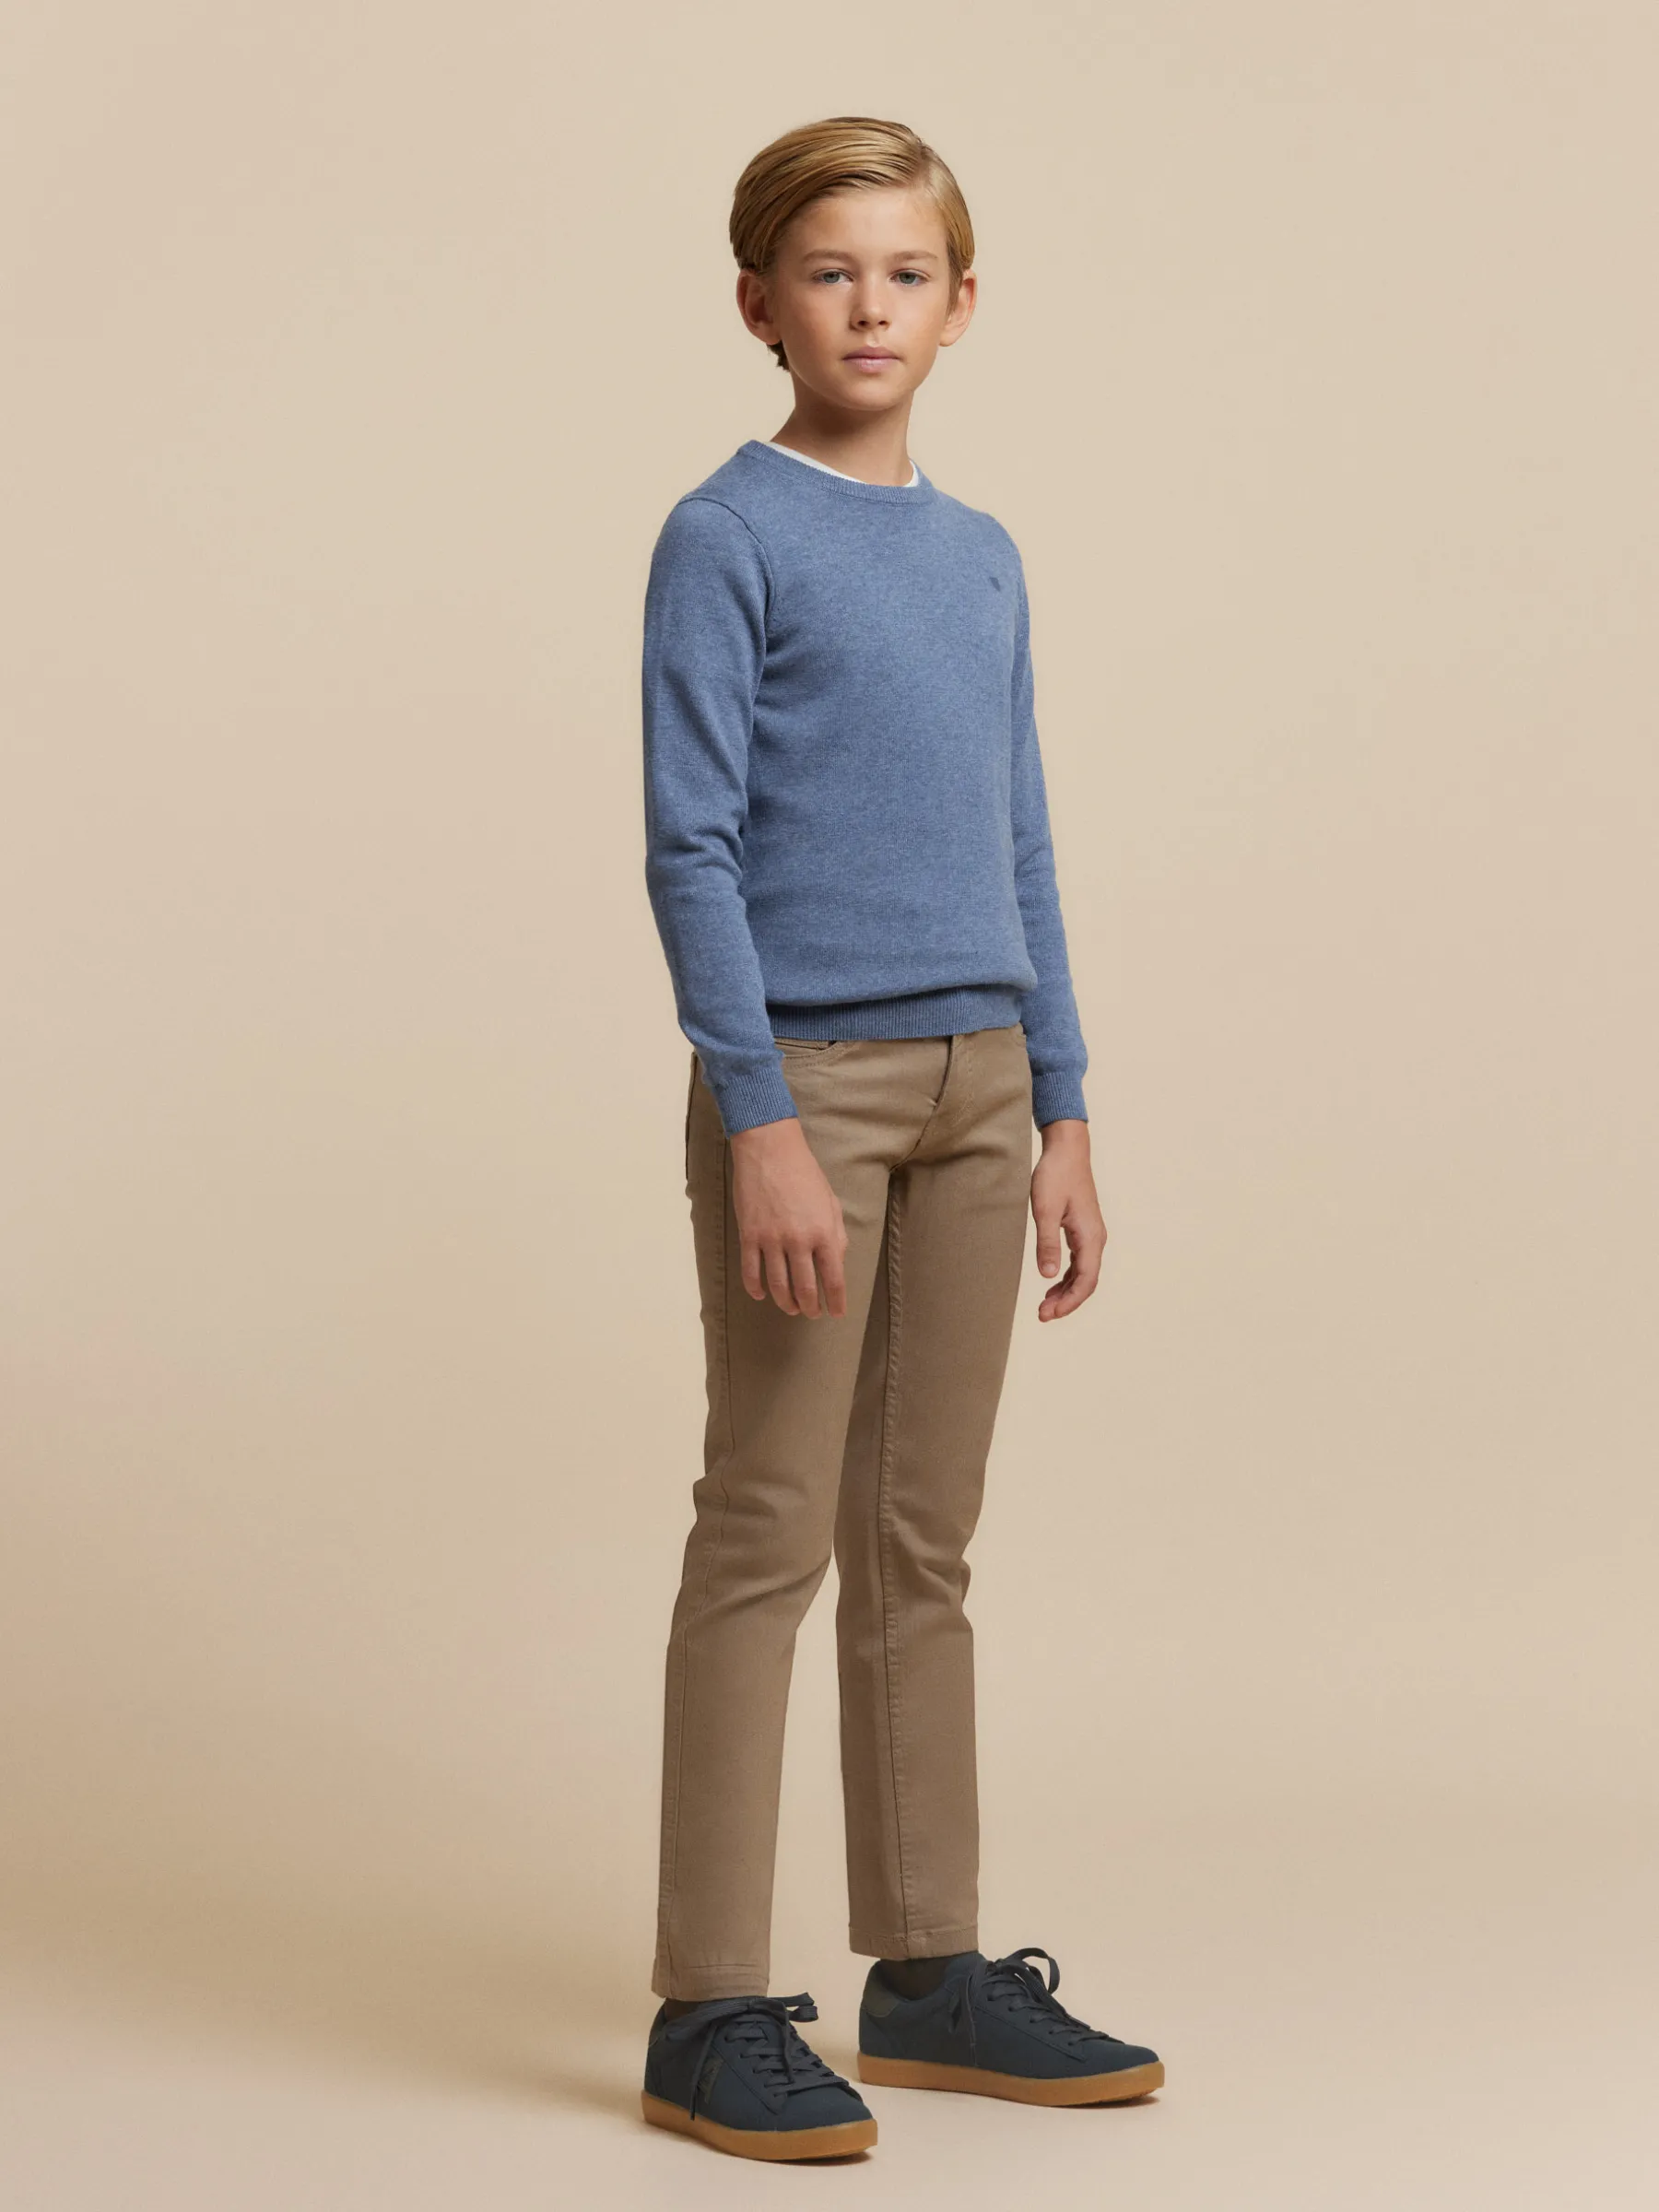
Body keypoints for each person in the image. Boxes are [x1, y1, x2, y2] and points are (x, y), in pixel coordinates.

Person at [636, 114, 1163, 2162]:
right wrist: (759, 1117)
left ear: (961, 306)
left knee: (922, 1540)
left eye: (908, 272)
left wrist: (1066, 1102)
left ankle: (928, 1969)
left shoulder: (982, 555)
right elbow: (690, 844)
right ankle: (706, 2003)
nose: (871, 305)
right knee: (768, 1525)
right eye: (830, 270)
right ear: (758, 303)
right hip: (814, 1086)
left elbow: (1020, 837)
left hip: (982, 1087)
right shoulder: (725, 536)